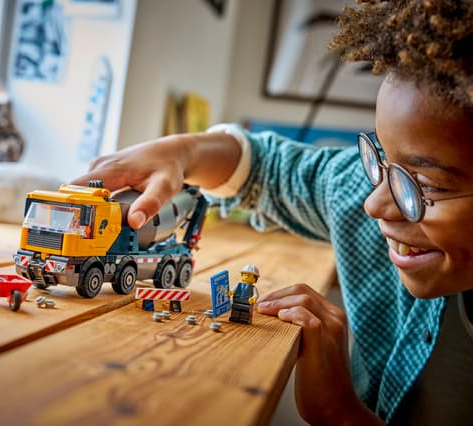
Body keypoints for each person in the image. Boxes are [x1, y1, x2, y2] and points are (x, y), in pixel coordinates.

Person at [73, 1, 473, 423]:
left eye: (424, 185)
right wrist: (185, 152)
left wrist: (341, 414)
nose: (373, 204)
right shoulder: (369, 191)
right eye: (380, 161)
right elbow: (268, 168)